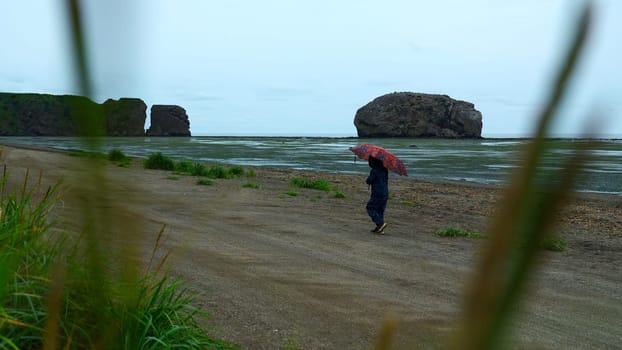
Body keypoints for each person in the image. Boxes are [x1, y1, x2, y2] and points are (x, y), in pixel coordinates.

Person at [365, 156, 389, 234]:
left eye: (370, 161)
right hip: (385, 192)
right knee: (380, 210)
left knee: (370, 207)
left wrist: (368, 181)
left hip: (377, 192)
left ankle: (380, 223)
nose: (369, 163)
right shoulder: (385, 170)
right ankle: (379, 228)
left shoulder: (374, 171)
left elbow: (369, 180)